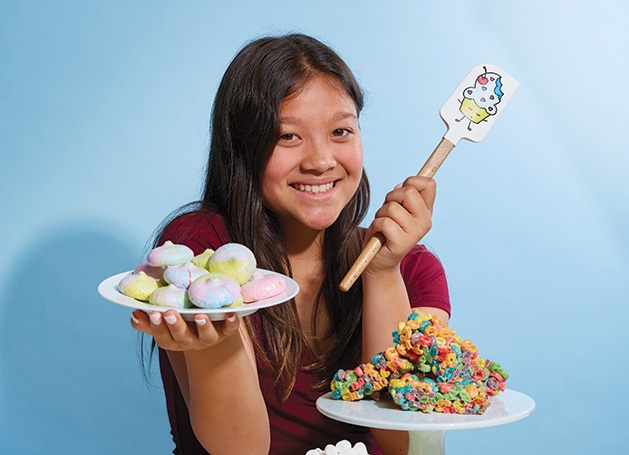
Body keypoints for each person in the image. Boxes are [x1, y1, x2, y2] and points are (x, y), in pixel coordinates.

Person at [131, 33, 450, 455]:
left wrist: (383, 274)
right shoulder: (203, 253)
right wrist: (217, 337)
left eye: (341, 131)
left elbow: (404, 444)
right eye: (288, 136)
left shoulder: (414, 272)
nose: (320, 160)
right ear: (243, 146)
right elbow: (239, 449)